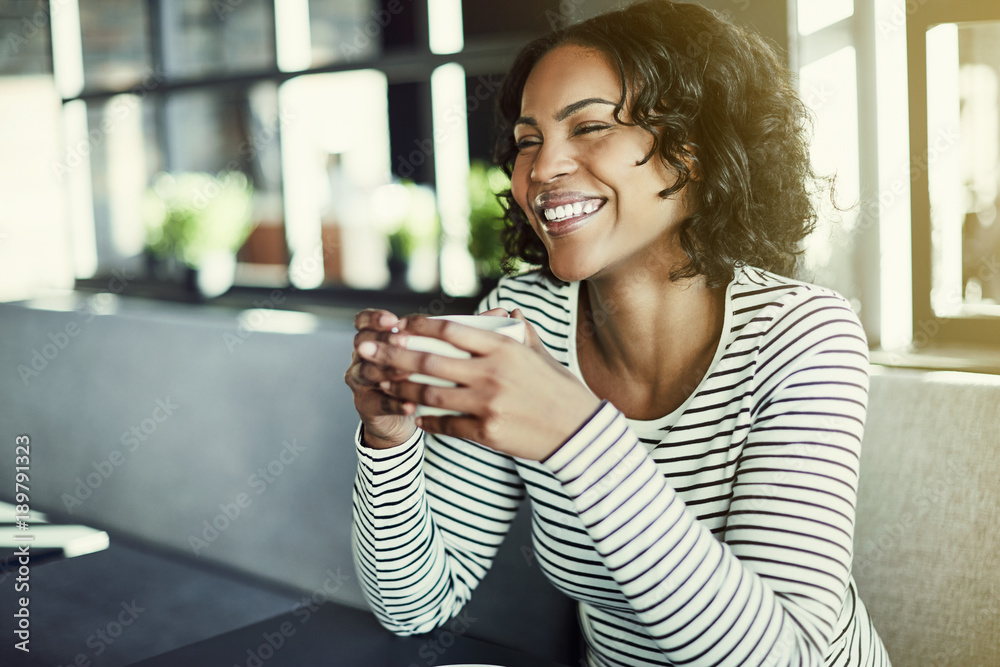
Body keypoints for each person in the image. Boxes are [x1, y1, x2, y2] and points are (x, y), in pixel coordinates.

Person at [345, 1, 891, 665]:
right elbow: (415, 603)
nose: (543, 170)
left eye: (592, 127)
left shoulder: (804, 336)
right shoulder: (526, 318)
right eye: (527, 140)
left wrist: (574, 433)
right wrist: (390, 439)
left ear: (692, 148)